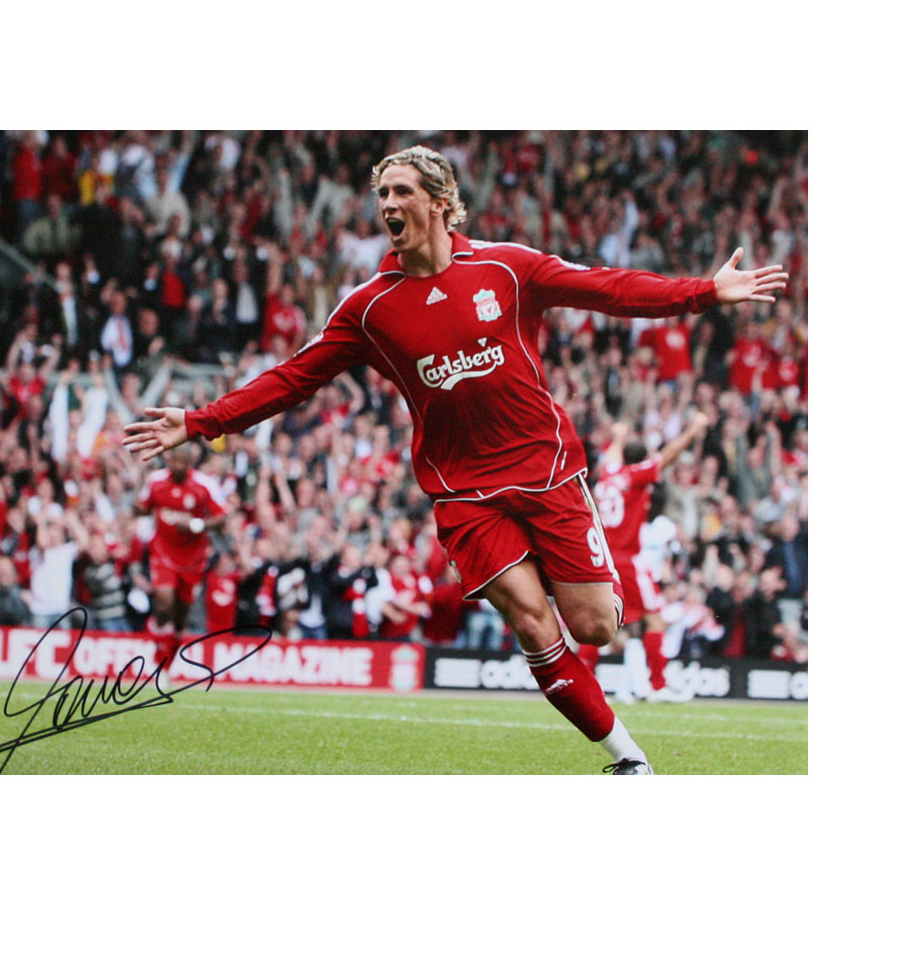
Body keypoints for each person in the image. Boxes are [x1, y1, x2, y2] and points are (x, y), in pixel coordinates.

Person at [123, 144, 787, 775]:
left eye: (402, 191)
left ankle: (567, 578)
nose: (388, 203)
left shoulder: (507, 268)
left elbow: (608, 287)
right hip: (464, 494)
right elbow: (294, 378)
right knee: (533, 624)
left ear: (440, 202)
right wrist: (202, 422)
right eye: (382, 193)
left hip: (548, 473)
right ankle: (629, 758)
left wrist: (704, 292)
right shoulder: (369, 308)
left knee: (597, 627)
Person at [592, 412, 710, 702]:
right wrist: (694, 429)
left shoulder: (608, 475)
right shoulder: (635, 476)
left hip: (605, 559)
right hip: (628, 559)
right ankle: (658, 686)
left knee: (608, 623)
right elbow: (668, 455)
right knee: (655, 621)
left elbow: (612, 458)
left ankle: (607, 685)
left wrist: (618, 436)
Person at [133, 445, 227, 673]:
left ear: (190, 463)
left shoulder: (204, 485)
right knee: (164, 601)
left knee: (181, 617)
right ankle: (158, 658)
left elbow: (222, 519)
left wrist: (196, 524)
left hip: (193, 559)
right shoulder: (156, 481)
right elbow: (142, 508)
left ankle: (168, 663)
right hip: (163, 552)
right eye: (174, 461)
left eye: (182, 462)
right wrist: (138, 493)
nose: (177, 466)